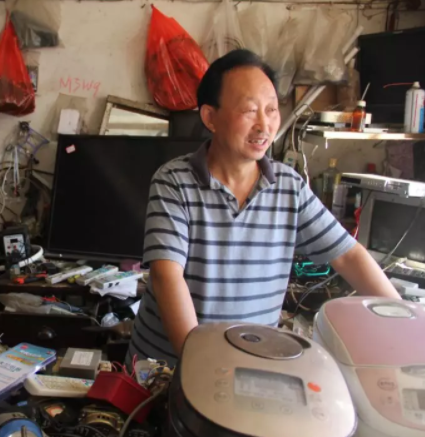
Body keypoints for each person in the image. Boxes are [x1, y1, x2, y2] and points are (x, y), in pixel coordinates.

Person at [126, 49, 400, 366]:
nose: (264, 125)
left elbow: (349, 256)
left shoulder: (289, 187)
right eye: (249, 110)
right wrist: (199, 365)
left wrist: (406, 322)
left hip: (249, 367)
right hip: (167, 369)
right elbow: (166, 277)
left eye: (271, 110)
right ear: (210, 117)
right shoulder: (174, 181)